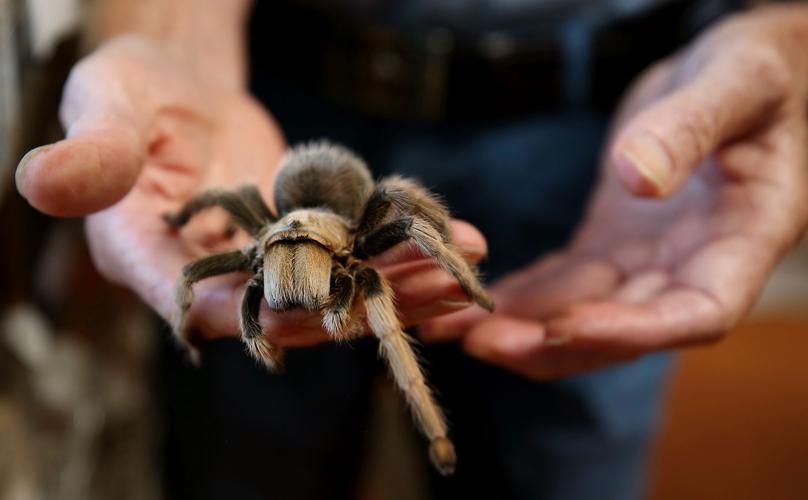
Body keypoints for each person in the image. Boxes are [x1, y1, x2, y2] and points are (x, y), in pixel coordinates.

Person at [14, 1, 808, 499]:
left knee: (556, 455)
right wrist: (188, 290)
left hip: (598, 104)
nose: (278, 277)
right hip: (278, 73)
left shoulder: (369, 238)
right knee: (247, 455)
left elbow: (408, 213)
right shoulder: (259, 226)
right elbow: (198, 258)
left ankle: (436, 430)